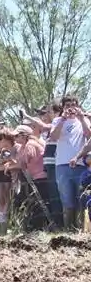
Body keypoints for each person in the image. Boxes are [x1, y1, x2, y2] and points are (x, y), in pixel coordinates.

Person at [48, 95, 91, 231]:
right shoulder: (57, 120)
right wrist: (63, 119)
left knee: (81, 198)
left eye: (74, 105)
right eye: (67, 105)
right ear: (63, 107)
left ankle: (80, 230)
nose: (71, 108)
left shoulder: (83, 120)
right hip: (62, 164)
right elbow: (53, 137)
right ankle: (68, 230)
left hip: (81, 165)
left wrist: (81, 118)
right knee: (66, 199)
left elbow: (89, 135)